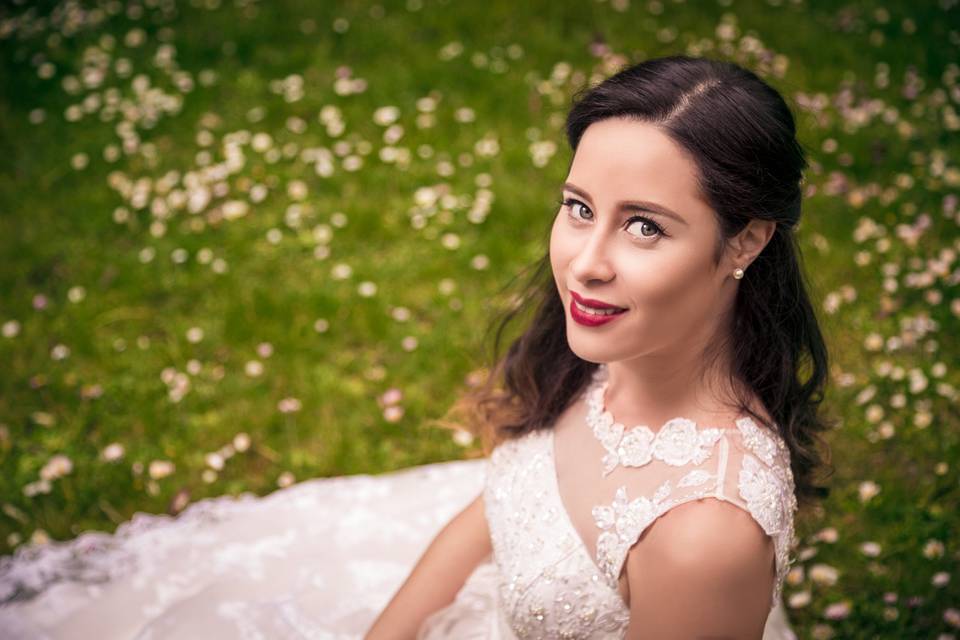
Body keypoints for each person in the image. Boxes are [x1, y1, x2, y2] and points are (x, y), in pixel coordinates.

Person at [0, 54, 831, 639]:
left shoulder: (703, 539)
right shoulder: (629, 338)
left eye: (644, 226)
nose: (585, 262)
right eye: (579, 206)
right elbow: (495, 512)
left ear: (744, 244)